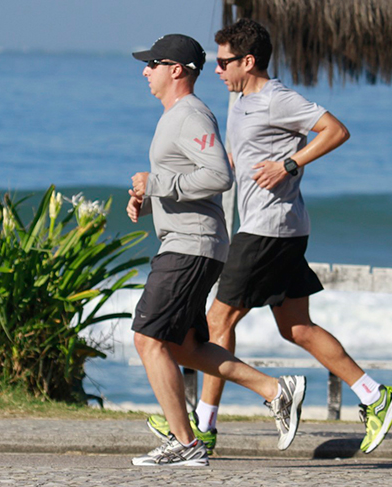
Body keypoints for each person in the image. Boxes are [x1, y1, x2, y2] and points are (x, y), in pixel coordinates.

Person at [147, 20, 392, 455]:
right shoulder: (240, 100)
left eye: (225, 61)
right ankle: (375, 396)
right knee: (297, 328)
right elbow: (235, 158)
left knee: (215, 323)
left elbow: (335, 130)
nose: (217, 69)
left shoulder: (275, 99)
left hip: (269, 227)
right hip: (281, 227)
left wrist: (289, 163)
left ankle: (203, 426)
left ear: (248, 62)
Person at [127, 33, 307, 467]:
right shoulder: (174, 116)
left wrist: (157, 184)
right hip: (188, 242)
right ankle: (274, 390)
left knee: (147, 338)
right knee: (186, 346)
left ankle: (186, 443)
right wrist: (148, 198)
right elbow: (188, 179)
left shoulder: (190, 115)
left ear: (176, 70)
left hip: (192, 246)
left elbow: (219, 176)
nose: (145, 71)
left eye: (153, 63)